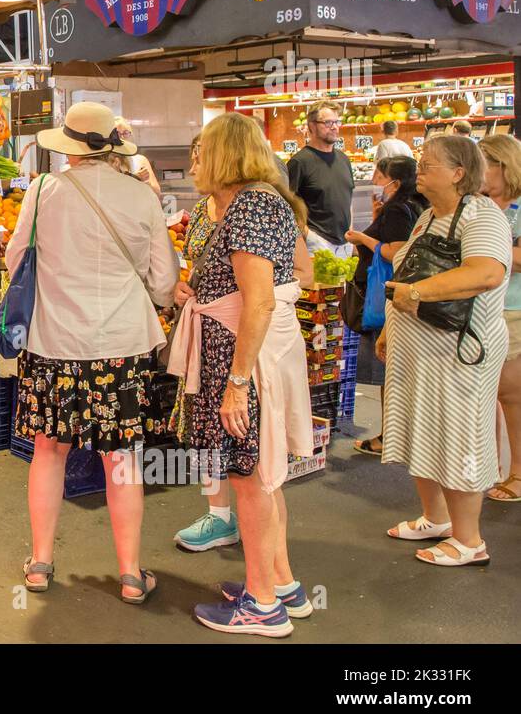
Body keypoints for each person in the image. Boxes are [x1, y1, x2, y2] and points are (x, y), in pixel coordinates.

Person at [9, 102, 178, 602]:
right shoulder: (141, 197)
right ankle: (130, 574)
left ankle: (39, 563)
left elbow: (16, 258)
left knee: (48, 450)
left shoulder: (42, 192)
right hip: (121, 349)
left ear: (70, 146)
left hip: (53, 344)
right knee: (122, 458)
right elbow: (165, 282)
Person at [167, 112, 314, 637]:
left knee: (249, 476)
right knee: (261, 475)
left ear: (226, 154)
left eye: (202, 150)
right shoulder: (257, 202)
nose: (195, 160)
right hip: (233, 350)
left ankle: (262, 605)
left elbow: (257, 303)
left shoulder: (251, 205)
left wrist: (236, 384)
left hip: (237, 355)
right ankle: (282, 584)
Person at [379, 135, 509, 566]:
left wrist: (416, 293)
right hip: (422, 352)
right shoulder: (428, 216)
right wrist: (389, 330)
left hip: (460, 353)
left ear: (458, 173)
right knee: (425, 431)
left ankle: (470, 541)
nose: (420, 168)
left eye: (429, 163)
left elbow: (487, 273)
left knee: (459, 436)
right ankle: (436, 518)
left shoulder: (482, 216)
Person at [343, 156, 425, 456]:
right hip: (400, 295)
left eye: (380, 174)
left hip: (384, 297)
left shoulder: (398, 209)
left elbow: (395, 251)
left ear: (396, 181)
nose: (375, 180)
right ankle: (395, 434)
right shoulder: (416, 207)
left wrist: (360, 237)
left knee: (386, 371)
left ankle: (390, 437)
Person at [478, 135, 521, 503]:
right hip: (478, 308)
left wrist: (486, 246)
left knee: (510, 395)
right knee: (483, 395)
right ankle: (486, 469)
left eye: (484, 164)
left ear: (502, 166)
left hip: (512, 307)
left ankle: (518, 473)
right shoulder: (479, 205)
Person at [287, 101, 354, 256]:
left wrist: (351, 231)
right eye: (328, 122)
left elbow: (348, 198)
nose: (335, 127)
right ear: (311, 126)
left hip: (344, 243)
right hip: (315, 244)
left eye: (337, 122)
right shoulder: (300, 162)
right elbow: (287, 207)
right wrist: (308, 236)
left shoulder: (344, 159)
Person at [113, 117, 162, 196]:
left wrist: (147, 184)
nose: (122, 138)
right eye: (117, 134)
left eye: (125, 133)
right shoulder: (107, 162)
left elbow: (157, 192)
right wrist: (135, 178)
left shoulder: (140, 160)